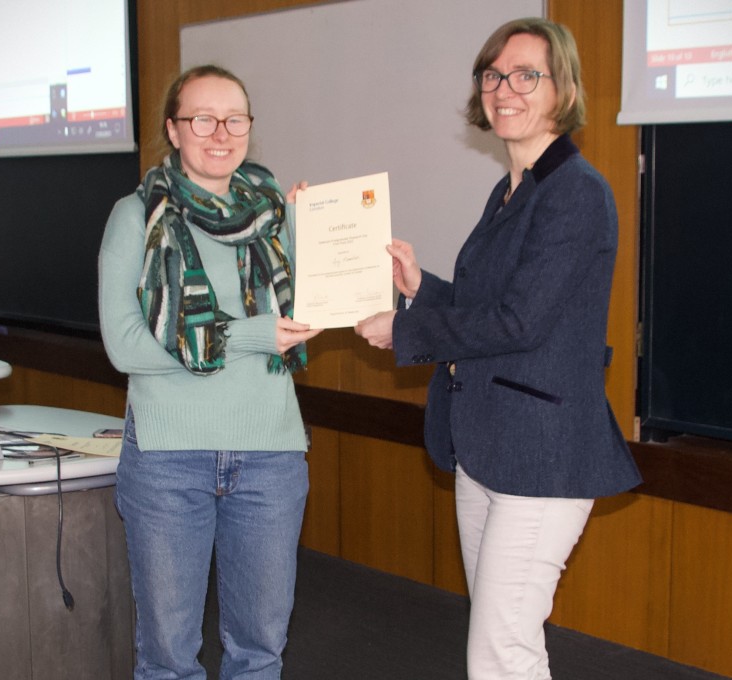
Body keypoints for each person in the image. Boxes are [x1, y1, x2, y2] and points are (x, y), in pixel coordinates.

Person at [354, 18, 642, 680]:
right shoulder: (513, 187)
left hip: (543, 457)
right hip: (487, 445)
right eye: (493, 75)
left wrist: (405, 332)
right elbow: (494, 308)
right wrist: (421, 288)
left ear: (561, 88)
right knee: (498, 643)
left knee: (502, 651)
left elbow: (519, 324)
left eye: (524, 75)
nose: (504, 89)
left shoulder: (576, 192)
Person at [99, 64, 321, 679]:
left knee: (259, 652)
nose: (220, 132)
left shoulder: (275, 215)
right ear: (173, 129)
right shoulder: (136, 217)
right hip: (170, 457)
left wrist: (319, 234)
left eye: (235, 118)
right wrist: (250, 336)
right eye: (202, 118)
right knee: (169, 657)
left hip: (272, 456)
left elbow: (313, 309)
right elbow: (123, 344)